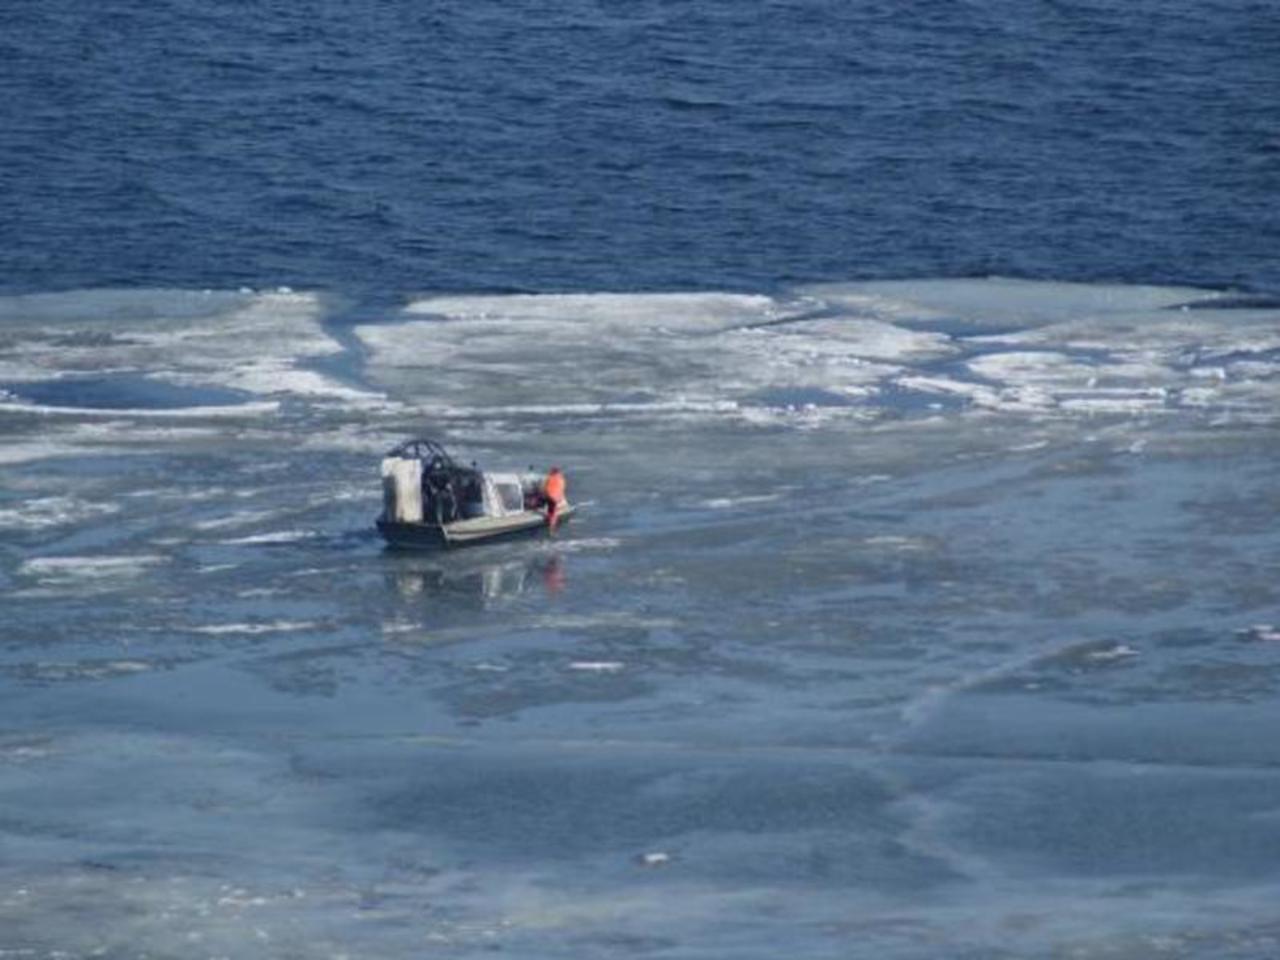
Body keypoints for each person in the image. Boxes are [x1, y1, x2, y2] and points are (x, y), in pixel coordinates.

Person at [542, 466, 567, 532]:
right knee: (553, 514)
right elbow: (561, 490)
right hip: (554, 498)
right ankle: (551, 530)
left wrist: (544, 494)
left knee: (550, 508)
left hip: (548, 496)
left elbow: (544, 487)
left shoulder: (549, 478)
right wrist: (560, 499)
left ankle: (548, 517)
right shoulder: (561, 479)